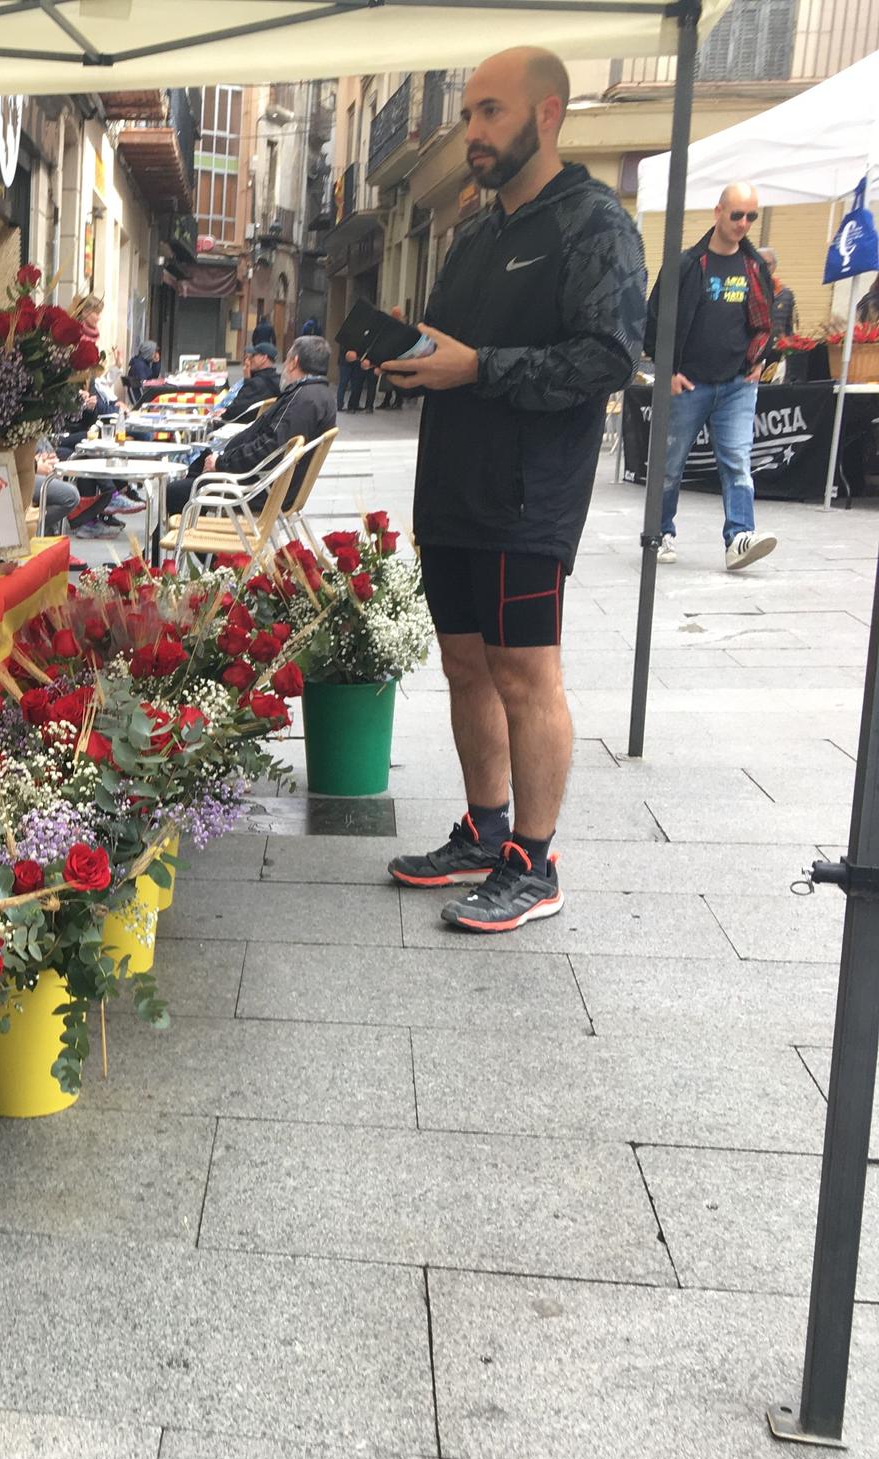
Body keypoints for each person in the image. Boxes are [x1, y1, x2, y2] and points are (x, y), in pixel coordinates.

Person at [380, 45, 645, 934]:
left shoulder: (593, 223)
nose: (474, 132)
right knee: (464, 665)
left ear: (547, 115)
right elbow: (450, 344)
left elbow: (608, 358)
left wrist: (477, 366)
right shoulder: (476, 232)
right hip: (451, 484)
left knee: (525, 673)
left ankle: (536, 859)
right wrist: (407, 354)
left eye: (490, 112)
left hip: (529, 496)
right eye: (468, 115)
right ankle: (486, 829)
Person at [647, 180, 778, 571]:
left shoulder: (754, 267)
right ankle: (661, 531)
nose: (743, 223)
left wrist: (758, 361)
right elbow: (656, 320)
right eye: (736, 214)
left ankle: (739, 537)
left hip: (737, 384)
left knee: (737, 459)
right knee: (670, 463)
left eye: (751, 216)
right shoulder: (687, 265)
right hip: (689, 382)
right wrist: (666, 370)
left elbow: (765, 322)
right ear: (718, 212)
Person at [167, 336, 335, 514]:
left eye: (286, 360)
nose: (284, 365)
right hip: (266, 484)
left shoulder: (303, 399)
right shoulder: (318, 395)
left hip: (258, 490)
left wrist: (222, 463)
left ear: (294, 362)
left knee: (174, 492)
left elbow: (270, 446)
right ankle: (192, 531)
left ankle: (183, 537)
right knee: (196, 472)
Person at [223, 342, 283, 421]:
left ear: (263, 358)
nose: (248, 360)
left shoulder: (256, 384)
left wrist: (247, 381)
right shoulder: (278, 379)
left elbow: (233, 411)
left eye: (252, 356)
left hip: (244, 426)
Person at [375, 307, 409, 409]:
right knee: (388, 380)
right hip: (390, 357)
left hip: (399, 358)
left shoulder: (403, 327)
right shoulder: (390, 325)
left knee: (396, 381)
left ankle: (398, 401)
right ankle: (387, 401)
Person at [762, 246, 797, 338]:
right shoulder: (745, 291)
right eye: (760, 264)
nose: (764, 269)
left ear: (775, 266)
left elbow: (788, 328)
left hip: (776, 348)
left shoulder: (786, 295)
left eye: (768, 264)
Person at [337, 338, 372, 412]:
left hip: (355, 361)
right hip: (346, 361)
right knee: (344, 383)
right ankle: (341, 405)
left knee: (354, 384)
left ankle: (352, 405)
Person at [127, 339, 161, 405]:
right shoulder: (139, 365)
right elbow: (144, 385)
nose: (156, 354)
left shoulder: (145, 363)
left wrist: (156, 363)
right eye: (154, 352)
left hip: (143, 396)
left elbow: (153, 376)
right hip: (139, 399)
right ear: (149, 352)